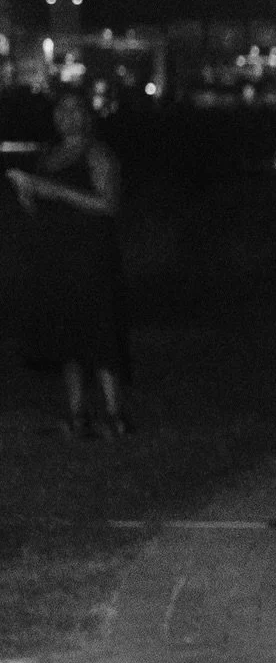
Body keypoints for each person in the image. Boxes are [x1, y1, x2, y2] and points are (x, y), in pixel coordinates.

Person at [7, 90, 131, 439]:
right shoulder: (49, 156)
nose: (66, 115)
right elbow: (41, 208)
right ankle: (77, 415)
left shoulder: (97, 153)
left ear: (87, 116)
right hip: (58, 256)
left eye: (75, 109)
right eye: (61, 109)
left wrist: (54, 191)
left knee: (100, 331)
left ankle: (114, 416)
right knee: (66, 334)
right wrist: (28, 192)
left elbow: (108, 205)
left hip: (92, 255)